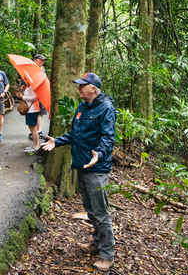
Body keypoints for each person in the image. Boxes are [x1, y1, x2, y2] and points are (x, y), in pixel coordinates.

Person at [41, 72, 116, 272]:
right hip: (82, 166)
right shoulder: (82, 107)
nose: (79, 88)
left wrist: (98, 154)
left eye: (83, 85)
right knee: (91, 211)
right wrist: (57, 141)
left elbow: (109, 138)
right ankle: (97, 243)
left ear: (94, 88)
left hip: (97, 168)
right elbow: (76, 133)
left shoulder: (106, 108)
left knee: (101, 212)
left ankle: (107, 255)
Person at [28, 54, 48, 140]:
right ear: (36, 60)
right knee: (32, 113)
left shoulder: (43, 70)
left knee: (41, 113)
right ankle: (33, 132)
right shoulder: (30, 69)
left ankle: (39, 131)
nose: (43, 62)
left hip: (41, 93)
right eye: (41, 60)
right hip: (32, 94)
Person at [21, 83, 40, 153]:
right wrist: (24, 90)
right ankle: (34, 144)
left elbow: (36, 97)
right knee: (31, 128)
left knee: (33, 128)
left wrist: (23, 97)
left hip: (33, 109)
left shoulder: (34, 86)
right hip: (29, 110)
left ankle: (36, 146)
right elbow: (28, 95)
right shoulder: (28, 86)